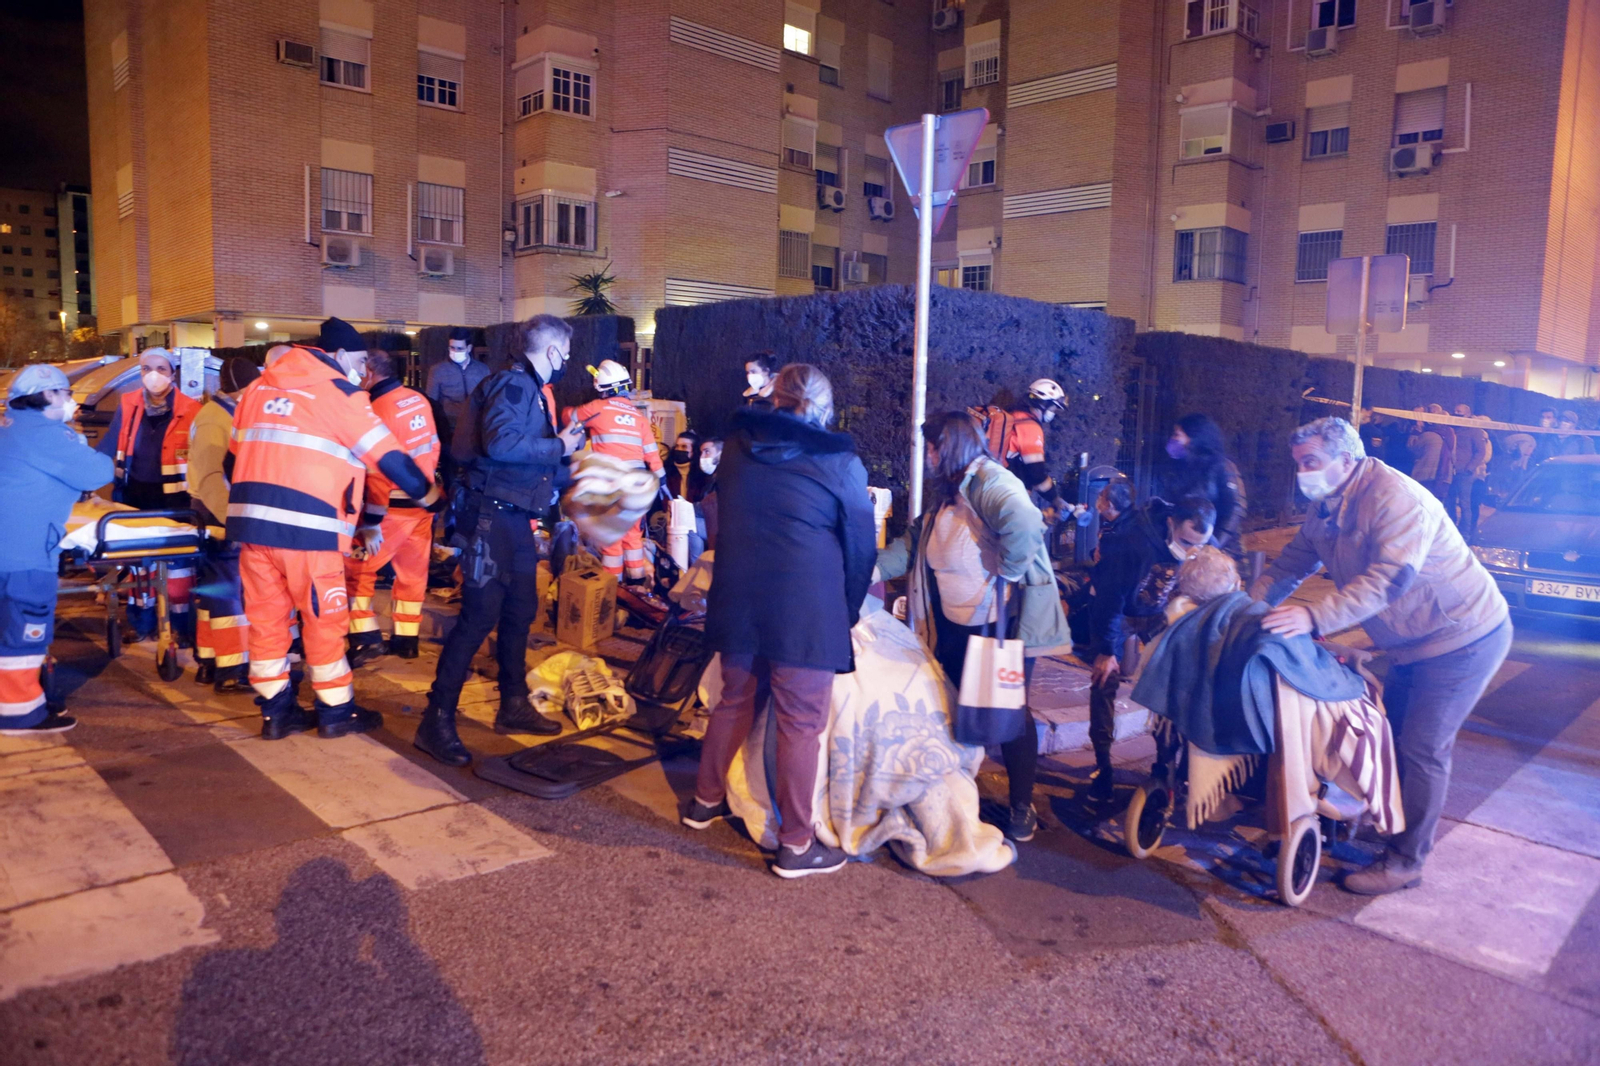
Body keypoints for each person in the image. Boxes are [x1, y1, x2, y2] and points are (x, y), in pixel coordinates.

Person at [1253, 417, 1510, 895]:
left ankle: (1406, 860)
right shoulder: (1328, 503)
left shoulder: (1396, 499)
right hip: (1408, 641)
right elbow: (1292, 562)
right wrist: (1251, 606)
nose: (1302, 473)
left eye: (1311, 462)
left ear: (1346, 460)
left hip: (1462, 637)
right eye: (1299, 464)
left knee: (1423, 747)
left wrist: (1312, 619)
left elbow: (1388, 580)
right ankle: (1389, 819)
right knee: (1388, 736)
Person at [681, 364, 877, 879]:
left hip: (739, 596)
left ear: (775, 398)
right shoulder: (838, 461)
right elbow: (860, 545)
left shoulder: (739, 449)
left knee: (733, 701)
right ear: (828, 409)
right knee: (801, 724)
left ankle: (704, 802)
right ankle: (795, 844)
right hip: (806, 609)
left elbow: (718, 511)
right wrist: (847, 607)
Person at [228, 317, 442, 741]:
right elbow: (391, 460)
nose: (363, 372)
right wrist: (430, 496)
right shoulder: (340, 395)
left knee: (267, 622)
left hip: (252, 530)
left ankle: (276, 714)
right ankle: (335, 711)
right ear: (340, 356)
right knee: (325, 620)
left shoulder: (257, 389)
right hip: (311, 530)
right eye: (360, 361)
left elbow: (231, 462)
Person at [875, 411, 1071, 842]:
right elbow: (914, 544)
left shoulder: (990, 481)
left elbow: (1024, 521)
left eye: (933, 446)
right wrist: (869, 569)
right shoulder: (949, 493)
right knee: (958, 709)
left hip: (996, 627)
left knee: (1007, 712)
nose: (927, 455)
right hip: (953, 626)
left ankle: (1021, 809)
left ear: (954, 446)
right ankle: (957, 793)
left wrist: (1009, 569)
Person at [417, 314, 584, 766]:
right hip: (491, 517)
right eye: (565, 353)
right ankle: (436, 719)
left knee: (519, 611)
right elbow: (502, 445)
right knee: (479, 617)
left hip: (511, 517)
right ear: (552, 352)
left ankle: (513, 704)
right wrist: (560, 447)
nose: (566, 360)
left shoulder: (521, 386)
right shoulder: (515, 386)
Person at [0, 365, 114, 735]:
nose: (70, 401)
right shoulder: (46, 434)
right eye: (65, 394)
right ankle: (20, 714)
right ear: (48, 395)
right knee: (24, 631)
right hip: (24, 553)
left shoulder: (10, 427)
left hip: (9, 547)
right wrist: (80, 444)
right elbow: (97, 473)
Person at [1085, 487, 1216, 803]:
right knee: (1104, 682)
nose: (1192, 552)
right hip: (1117, 611)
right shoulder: (1133, 541)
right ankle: (1103, 769)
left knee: (1176, 682)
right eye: (1186, 543)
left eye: (1201, 545)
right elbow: (1110, 597)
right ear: (1171, 523)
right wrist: (1106, 650)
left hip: (1157, 611)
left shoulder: (1198, 546)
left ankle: (1165, 766)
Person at [98, 348, 202, 644]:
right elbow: (110, 445)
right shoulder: (128, 404)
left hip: (176, 502)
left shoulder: (191, 409)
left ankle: (181, 626)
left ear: (172, 373)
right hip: (135, 496)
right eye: (146, 369)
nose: (153, 375)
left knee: (178, 568)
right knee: (139, 566)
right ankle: (142, 623)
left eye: (161, 368)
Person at [345, 351, 441, 666]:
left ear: (370, 372)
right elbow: (434, 446)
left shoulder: (375, 410)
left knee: (357, 572)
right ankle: (406, 641)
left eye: (360, 369)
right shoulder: (418, 400)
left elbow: (377, 473)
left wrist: (371, 520)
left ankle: (364, 638)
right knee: (412, 573)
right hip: (422, 504)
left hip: (390, 509)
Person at [187, 355, 259, 692]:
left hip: (213, 510)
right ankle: (232, 671)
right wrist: (233, 521)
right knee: (229, 590)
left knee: (214, 592)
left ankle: (209, 661)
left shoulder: (221, 413)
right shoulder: (216, 420)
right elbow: (212, 478)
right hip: (217, 512)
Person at [571, 359, 663, 583]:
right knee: (632, 537)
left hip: (611, 485)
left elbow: (570, 418)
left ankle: (613, 591)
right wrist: (662, 484)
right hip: (637, 487)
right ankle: (637, 587)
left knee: (611, 538)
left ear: (602, 388)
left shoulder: (596, 408)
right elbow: (653, 455)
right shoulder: (639, 417)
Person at [1153, 413, 1246, 557]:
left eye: (1177, 435)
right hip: (1181, 548)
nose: (1173, 440)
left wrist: (1213, 546)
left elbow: (1235, 509)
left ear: (1194, 437)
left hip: (1219, 551)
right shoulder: (1176, 468)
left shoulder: (1222, 467)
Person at [1447, 403, 1490, 537]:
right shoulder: (1452, 429)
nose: (1456, 413)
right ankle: (1450, 528)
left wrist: (1470, 468)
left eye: (1459, 411)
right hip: (1450, 470)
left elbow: (1480, 451)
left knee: (1465, 503)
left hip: (1465, 472)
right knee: (1450, 502)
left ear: (1467, 414)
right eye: (1455, 411)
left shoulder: (1474, 431)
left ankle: (1465, 532)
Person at [696, 438, 723, 554]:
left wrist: (688, 507)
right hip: (713, 524)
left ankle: (694, 566)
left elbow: (711, 505)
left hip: (721, 527)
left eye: (707, 452)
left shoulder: (725, 477)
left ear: (721, 453)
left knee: (688, 525)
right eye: (701, 452)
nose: (702, 457)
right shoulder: (711, 478)